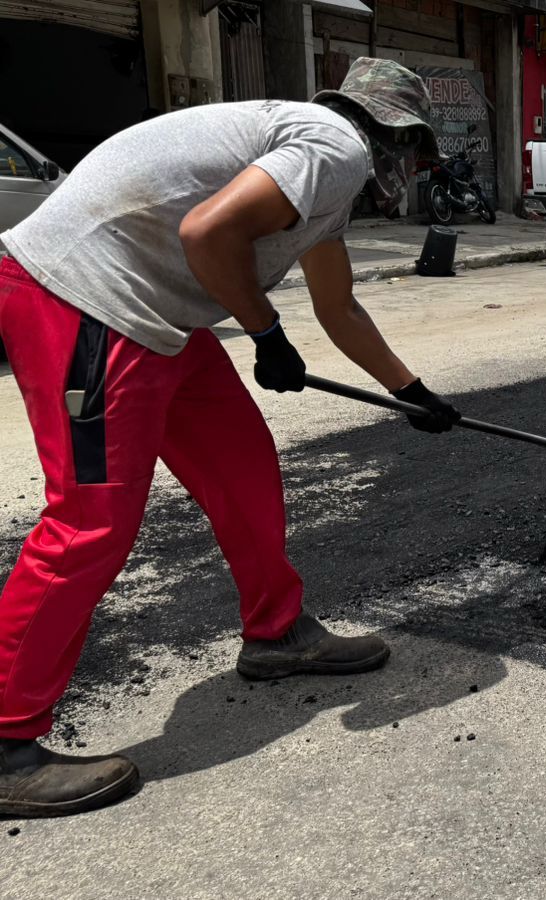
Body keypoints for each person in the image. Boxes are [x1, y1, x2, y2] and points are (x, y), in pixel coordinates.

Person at [0, 57, 462, 818]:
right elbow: (207, 231)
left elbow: (340, 307)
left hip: (162, 320)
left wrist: (410, 393)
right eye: (418, 156)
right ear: (397, 135)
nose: (413, 173)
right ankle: (6, 741)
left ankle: (278, 633)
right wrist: (266, 333)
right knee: (90, 525)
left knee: (243, 467)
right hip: (84, 302)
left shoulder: (318, 177)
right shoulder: (334, 147)